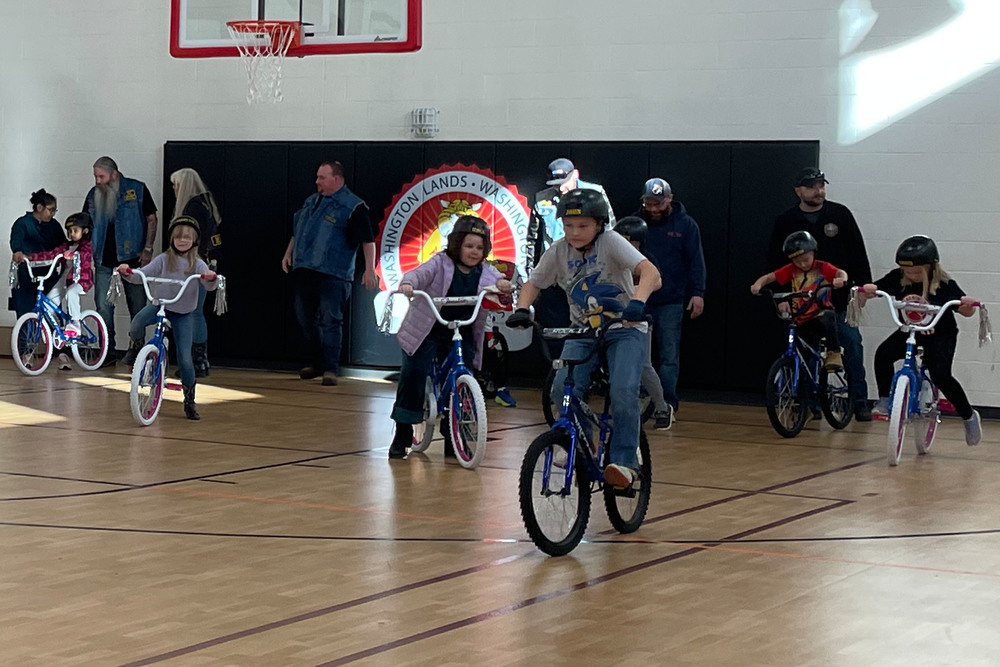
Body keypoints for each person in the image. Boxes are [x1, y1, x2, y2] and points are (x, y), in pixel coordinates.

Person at [507, 189, 661, 489]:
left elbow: (650, 272)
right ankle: (587, 443)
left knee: (623, 390)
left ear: (600, 224)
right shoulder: (558, 251)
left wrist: (637, 303)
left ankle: (625, 463)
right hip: (583, 330)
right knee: (559, 390)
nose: (574, 233)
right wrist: (523, 310)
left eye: (583, 226)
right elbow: (533, 284)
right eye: (568, 226)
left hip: (624, 328)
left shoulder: (611, 242)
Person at [387, 216, 513, 459]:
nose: (474, 252)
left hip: (460, 329)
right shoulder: (440, 263)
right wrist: (408, 285)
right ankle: (402, 431)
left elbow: (496, 280)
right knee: (415, 370)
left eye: (479, 247)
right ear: (457, 245)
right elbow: (418, 274)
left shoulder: (483, 271)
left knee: (465, 371)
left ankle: (453, 431)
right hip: (428, 329)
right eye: (469, 246)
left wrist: (503, 284)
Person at [770, 167, 873, 421]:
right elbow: (775, 262)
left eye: (821, 185)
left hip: (837, 299)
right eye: (812, 187)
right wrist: (781, 297)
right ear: (798, 191)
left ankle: (859, 400)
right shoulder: (786, 220)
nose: (819, 191)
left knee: (851, 344)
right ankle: (809, 403)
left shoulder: (840, 214)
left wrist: (862, 288)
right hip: (803, 301)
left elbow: (858, 253)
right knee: (805, 353)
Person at [858, 235, 982, 445]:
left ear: (931, 268)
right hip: (911, 330)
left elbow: (964, 309)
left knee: (941, 375)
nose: (911, 276)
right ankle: (886, 399)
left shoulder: (944, 284)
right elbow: (877, 289)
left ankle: (968, 416)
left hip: (941, 333)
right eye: (908, 272)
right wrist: (869, 290)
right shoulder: (898, 278)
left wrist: (966, 306)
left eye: (917, 272)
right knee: (883, 354)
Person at [281, 160, 377, 386]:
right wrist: (288, 253)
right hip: (305, 270)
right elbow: (298, 231)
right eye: (317, 177)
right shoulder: (310, 201)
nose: (317, 182)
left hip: (334, 274)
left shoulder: (353, 206)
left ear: (336, 179)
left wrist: (370, 269)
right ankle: (316, 363)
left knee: (330, 320)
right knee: (305, 319)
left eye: (321, 177)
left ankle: (331, 369)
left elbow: (367, 240)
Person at [119, 216, 218, 420]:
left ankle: (189, 401)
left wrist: (210, 277)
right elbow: (142, 275)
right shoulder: (164, 259)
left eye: (187, 238)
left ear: (195, 241)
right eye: (178, 237)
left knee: (184, 359)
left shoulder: (197, 263)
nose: (182, 241)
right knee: (137, 322)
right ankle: (135, 348)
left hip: (183, 313)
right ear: (172, 239)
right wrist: (128, 273)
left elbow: (209, 284)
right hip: (160, 304)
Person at [631, 177, 706, 429]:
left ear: (669, 199)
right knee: (638, 353)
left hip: (671, 300)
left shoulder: (686, 226)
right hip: (639, 297)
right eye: (648, 204)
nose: (652, 209)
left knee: (668, 354)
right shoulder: (635, 224)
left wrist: (698, 292)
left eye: (658, 204)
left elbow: (696, 261)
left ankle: (668, 403)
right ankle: (642, 397)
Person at [527, 158, 617, 349]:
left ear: (575, 174)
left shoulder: (596, 194)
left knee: (592, 329)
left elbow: (610, 232)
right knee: (556, 332)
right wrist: (530, 273)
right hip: (555, 275)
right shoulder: (540, 199)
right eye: (555, 185)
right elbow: (531, 241)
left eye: (563, 183)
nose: (560, 189)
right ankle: (559, 373)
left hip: (589, 273)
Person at [83, 156, 158, 365]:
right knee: (103, 307)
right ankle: (107, 350)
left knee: (138, 306)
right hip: (103, 261)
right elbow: (86, 225)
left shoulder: (138, 190)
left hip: (132, 259)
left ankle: (137, 349)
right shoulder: (93, 195)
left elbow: (151, 219)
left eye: (101, 176)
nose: (97, 180)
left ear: (114, 174)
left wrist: (148, 248)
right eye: (95, 176)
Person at [750, 231, 847, 370]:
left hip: (819, 316)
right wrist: (757, 285)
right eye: (797, 261)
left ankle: (834, 352)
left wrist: (841, 279)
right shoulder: (791, 270)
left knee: (828, 316)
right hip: (802, 318)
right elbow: (770, 277)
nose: (802, 264)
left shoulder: (823, 267)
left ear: (814, 252)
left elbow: (840, 272)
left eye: (806, 259)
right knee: (802, 352)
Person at [613, 216, 675, 430]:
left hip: (637, 321)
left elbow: (657, 281)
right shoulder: (613, 258)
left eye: (629, 241)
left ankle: (662, 407)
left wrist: (639, 285)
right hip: (611, 318)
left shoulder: (644, 260)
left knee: (644, 366)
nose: (624, 245)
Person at [25, 213, 95, 370]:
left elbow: (84, 257)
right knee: (48, 303)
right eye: (69, 231)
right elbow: (51, 254)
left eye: (75, 230)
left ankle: (75, 323)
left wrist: (74, 255)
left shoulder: (87, 246)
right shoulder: (66, 246)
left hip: (80, 280)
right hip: (65, 279)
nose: (71, 234)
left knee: (71, 293)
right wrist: (30, 257)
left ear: (84, 231)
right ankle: (56, 331)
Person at [170, 168, 222, 378]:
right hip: (207, 262)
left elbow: (192, 242)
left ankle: (195, 361)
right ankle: (198, 360)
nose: (173, 189)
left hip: (195, 265)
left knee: (192, 313)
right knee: (196, 312)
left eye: (176, 185)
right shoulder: (206, 203)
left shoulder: (193, 208)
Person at [9, 189, 65, 318]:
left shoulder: (54, 225)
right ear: (39, 207)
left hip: (49, 273)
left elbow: (63, 244)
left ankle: (53, 336)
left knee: (52, 310)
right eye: (51, 210)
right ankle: (24, 337)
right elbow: (16, 242)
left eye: (54, 211)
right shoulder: (22, 224)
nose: (53, 214)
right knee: (25, 310)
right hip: (27, 273)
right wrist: (18, 252)